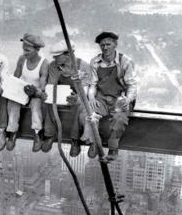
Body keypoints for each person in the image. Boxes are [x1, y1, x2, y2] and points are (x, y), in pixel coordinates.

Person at [86, 32, 137, 161]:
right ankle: (93, 143)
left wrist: (128, 99)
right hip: (102, 97)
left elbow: (132, 85)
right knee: (90, 114)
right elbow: (93, 84)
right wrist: (91, 97)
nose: (105, 48)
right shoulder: (95, 62)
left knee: (119, 118)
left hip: (120, 98)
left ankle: (113, 148)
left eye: (108, 44)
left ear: (115, 44)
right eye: (102, 45)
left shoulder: (125, 61)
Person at [40, 40, 92, 157]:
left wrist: (77, 97)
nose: (54, 58)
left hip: (77, 97)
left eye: (57, 56)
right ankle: (50, 134)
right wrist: (48, 92)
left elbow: (85, 91)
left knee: (79, 105)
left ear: (68, 54)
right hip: (59, 95)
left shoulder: (83, 66)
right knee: (48, 102)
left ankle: (75, 139)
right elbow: (51, 84)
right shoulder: (53, 66)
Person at [6, 33, 49, 151]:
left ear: (37, 50)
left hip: (35, 93)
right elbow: (16, 76)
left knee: (36, 106)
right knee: (13, 103)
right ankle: (12, 132)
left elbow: (43, 86)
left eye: (28, 50)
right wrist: (12, 88)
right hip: (22, 90)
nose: (24, 53)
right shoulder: (22, 59)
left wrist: (35, 91)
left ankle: (37, 133)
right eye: (23, 50)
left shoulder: (44, 63)